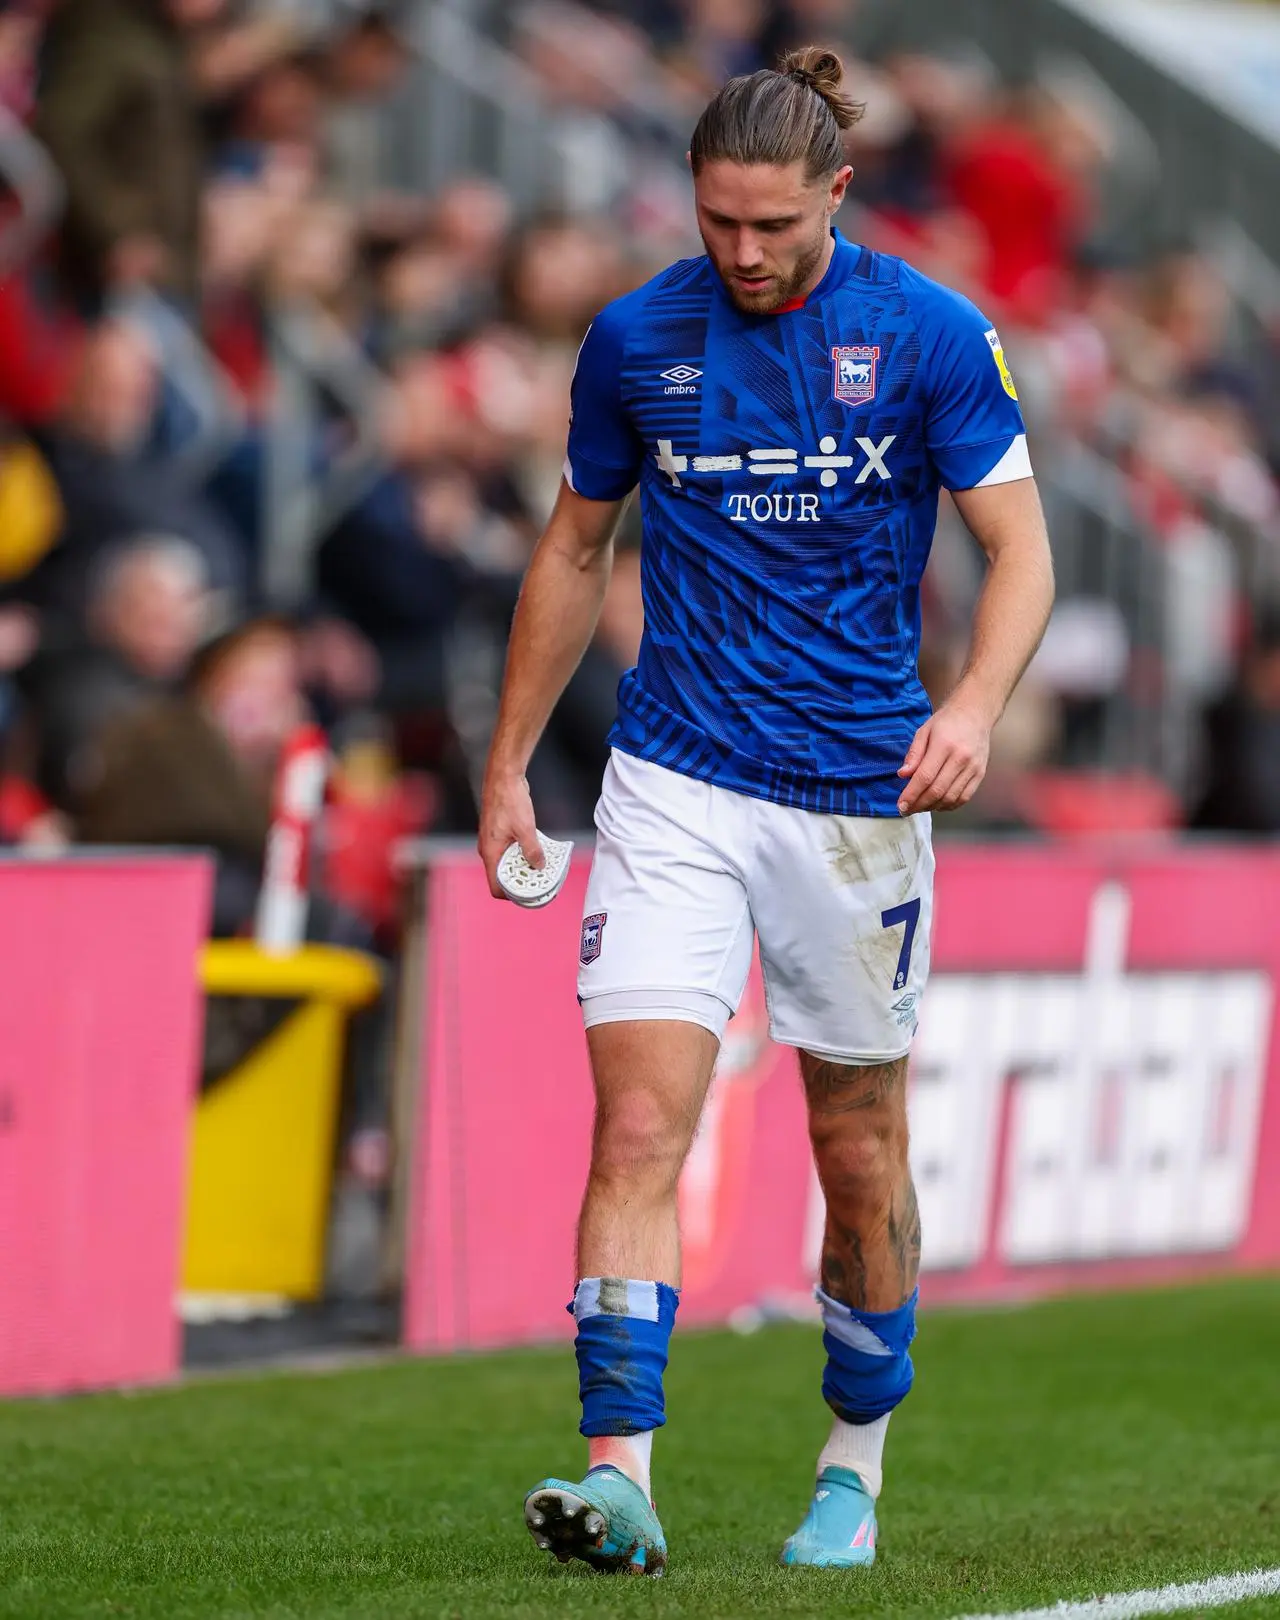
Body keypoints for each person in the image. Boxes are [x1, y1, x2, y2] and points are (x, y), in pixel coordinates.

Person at [477, 47, 1055, 1576]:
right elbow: (574, 551)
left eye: (774, 228)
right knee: (641, 1121)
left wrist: (976, 708)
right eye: (718, 221)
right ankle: (621, 1479)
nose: (741, 252)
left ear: (838, 197)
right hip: (672, 777)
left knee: (855, 1147)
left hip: (859, 794)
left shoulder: (928, 335)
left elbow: (1025, 556)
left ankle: (853, 1463)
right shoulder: (634, 338)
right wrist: (507, 760)